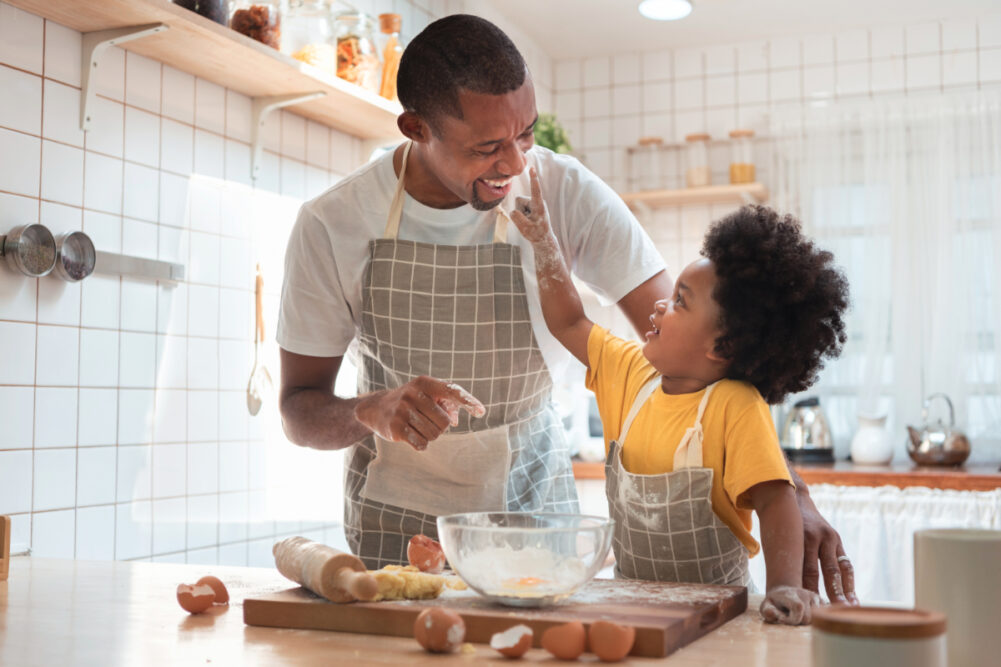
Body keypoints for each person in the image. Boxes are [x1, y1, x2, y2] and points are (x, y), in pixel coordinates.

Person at [275, 13, 858, 605]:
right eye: (487, 147)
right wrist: (372, 409)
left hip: (537, 526)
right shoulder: (333, 224)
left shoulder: (566, 193)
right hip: (395, 531)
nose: (515, 164)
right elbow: (299, 412)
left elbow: (708, 356)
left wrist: (792, 494)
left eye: (525, 135)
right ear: (416, 127)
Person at [509, 174, 849, 623]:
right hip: (635, 606)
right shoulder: (629, 371)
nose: (658, 307)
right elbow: (570, 323)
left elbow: (775, 500)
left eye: (679, 302)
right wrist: (545, 245)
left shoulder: (736, 406)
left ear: (721, 347)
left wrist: (784, 587)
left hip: (718, 615)